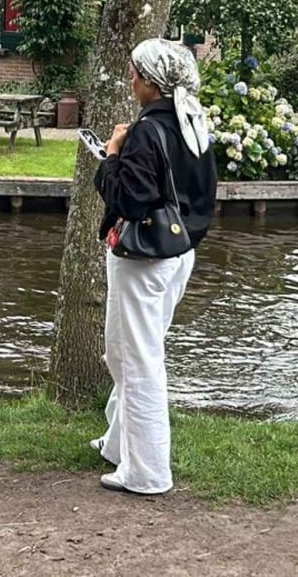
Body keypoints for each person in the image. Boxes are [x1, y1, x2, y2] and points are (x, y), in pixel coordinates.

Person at [91, 39, 216, 496]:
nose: (131, 80)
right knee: (123, 353)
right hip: (177, 253)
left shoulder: (147, 131)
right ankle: (120, 444)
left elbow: (128, 198)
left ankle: (147, 472)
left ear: (153, 83)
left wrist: (110, 156)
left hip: (144, 258)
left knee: (139, 360)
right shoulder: (193, 124)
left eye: (136, 74)